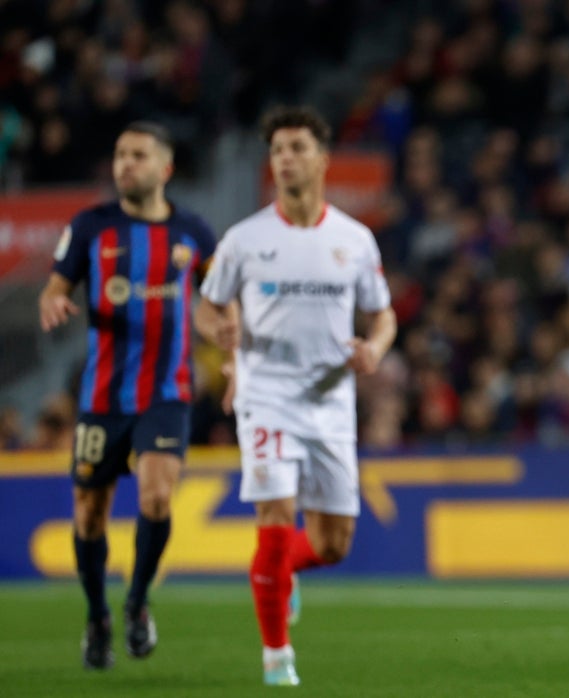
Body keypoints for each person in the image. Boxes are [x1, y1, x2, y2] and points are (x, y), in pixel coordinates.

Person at [195, 105, 396, 686]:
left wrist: (376, 350)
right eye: (277, 149)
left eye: (297, 147)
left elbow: (382, 318)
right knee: (275, 516)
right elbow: (208, 308)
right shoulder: (244, 239)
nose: (285, 158)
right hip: (267, 396)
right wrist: (220, 332)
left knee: (333, 544)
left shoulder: (354, 241)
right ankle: (277, 658)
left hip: (331, 401)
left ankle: (282, 574)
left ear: (322, 159)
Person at [38, 121, 218, 669]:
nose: (125, 164)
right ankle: (98, 614)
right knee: (89, 514)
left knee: (157, 496)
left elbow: (214, 298)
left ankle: (138, 601)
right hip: (102, 396)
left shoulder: (193, 232)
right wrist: (52, 302)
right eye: (119, 154)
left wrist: (222, 328)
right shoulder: (91, 227)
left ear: (164, 168)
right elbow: (55, 286)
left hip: (167, 391)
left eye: (138, 155)